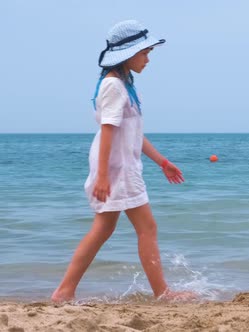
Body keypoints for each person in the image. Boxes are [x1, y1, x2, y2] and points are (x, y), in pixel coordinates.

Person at [52, 20, 194, 302]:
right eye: (145, 53)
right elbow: (108, 132)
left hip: (120, 166)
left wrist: (161, 161)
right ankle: (162, 293)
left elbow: (133, 134)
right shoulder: (114, 86)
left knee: (103, 229)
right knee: (146, 228)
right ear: (128, 53)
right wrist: (103, 176)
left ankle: (65, 291)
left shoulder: (125, 84)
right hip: (118, 169)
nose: (148, 59)